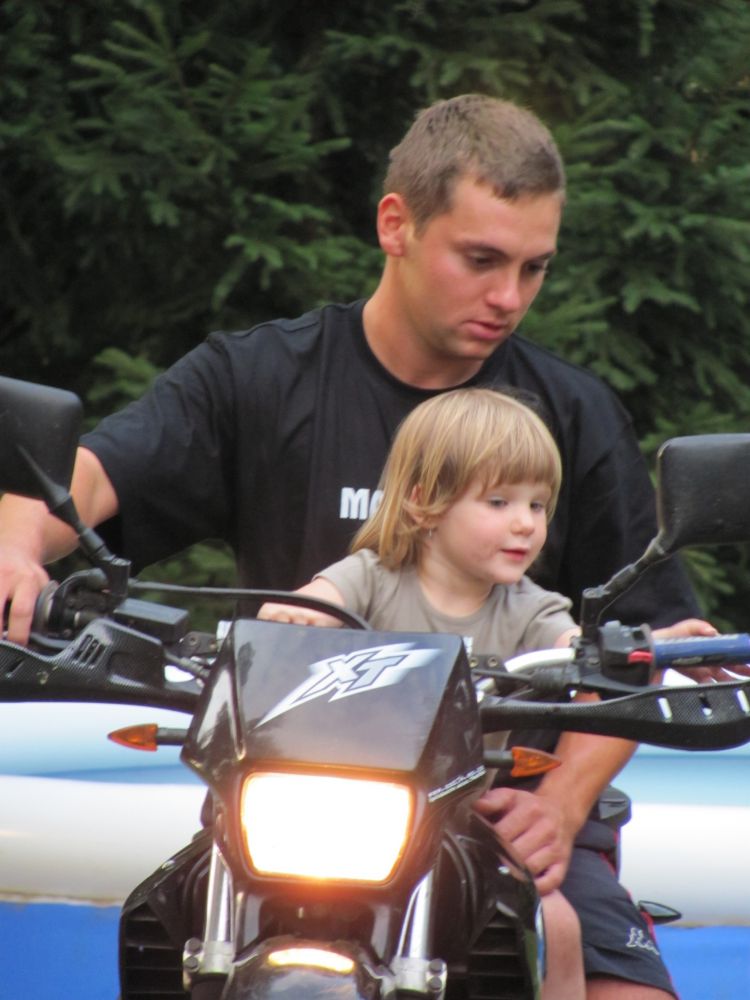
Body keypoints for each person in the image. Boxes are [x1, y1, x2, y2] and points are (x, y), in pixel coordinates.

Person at [0, 93, 726, 996]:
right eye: (481, 259)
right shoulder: (259, 377)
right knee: (161, 941)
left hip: (505, 810)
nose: (509, 297)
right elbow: (87, 478)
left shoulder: (569, 416)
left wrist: (562, 804)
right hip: (287, 809)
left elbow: (641, 645)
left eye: (534, 268)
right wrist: (16, 550)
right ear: (396, 225)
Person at [258, 386, 715, 999]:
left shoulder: (531, 608)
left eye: (538, 504)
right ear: (423, 502)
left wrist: (643, 650)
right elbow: (317, 602)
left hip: (473, 817)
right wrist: (300, 615)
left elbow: (583, 650)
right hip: (353, 813)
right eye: (499, 501)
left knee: (556, 920)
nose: (525, 523)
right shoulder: (370, 577)